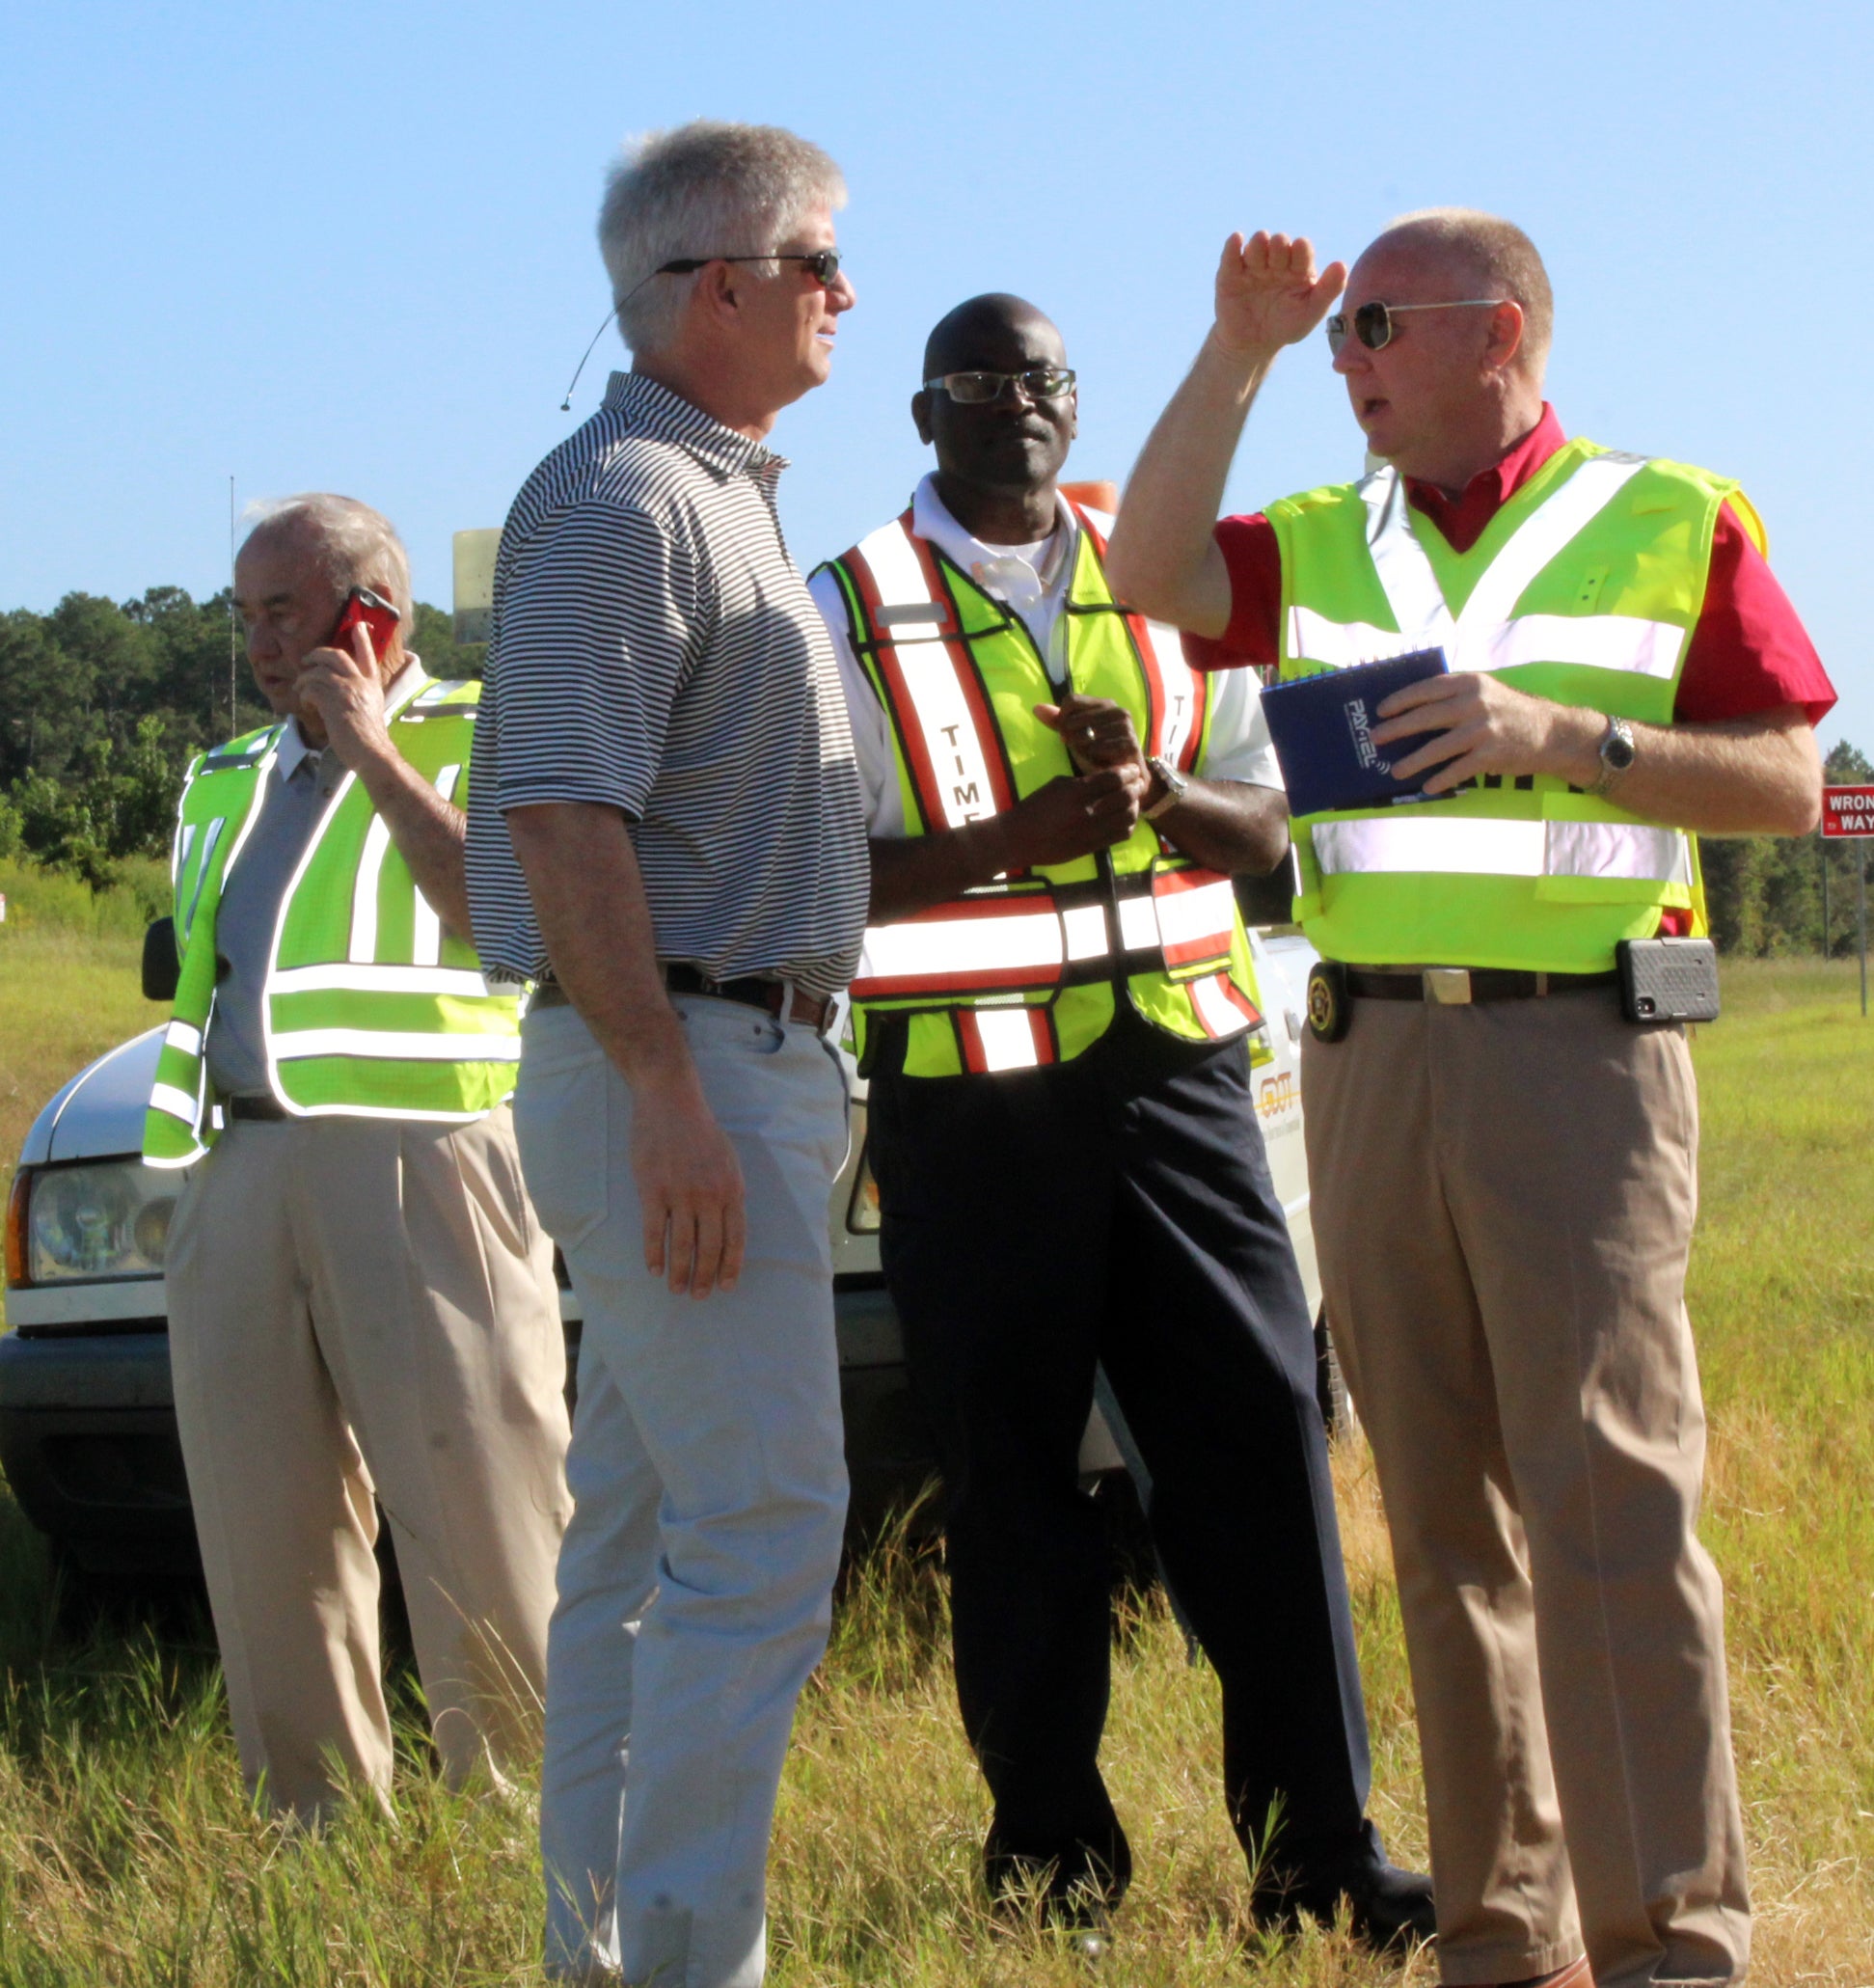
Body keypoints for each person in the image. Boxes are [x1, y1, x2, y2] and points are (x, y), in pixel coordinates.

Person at [1104, 210, 1834, 1988]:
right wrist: (1240, 346)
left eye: (1371, 329)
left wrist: (1557, 736)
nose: (1347, 360)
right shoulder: (1317, 536)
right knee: (1440, 1518)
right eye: (1337, 335)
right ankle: (1502, 1934)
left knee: (1613, 1512)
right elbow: (1143, 567)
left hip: (1576, 1055)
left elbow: (1792, 782)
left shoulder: (1679, 516)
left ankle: (1667, 1939)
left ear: (1498, 331)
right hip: (1367, 1059)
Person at [806, 292, 1434, 1953]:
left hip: (1180, 1082)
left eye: (1045, 378)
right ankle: (1053, 1871)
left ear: (1077, 409)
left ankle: (1324, 1859)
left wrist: (1165, 804)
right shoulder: (848, 603)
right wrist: (1010, 839)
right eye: (981, 379)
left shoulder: (1165, 571)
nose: (1018, 401)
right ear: (924, 412)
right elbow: (809, 878)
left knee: (1265, 1451)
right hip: (969, 1101)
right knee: (1011, 1489)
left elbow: (1284, 822)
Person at [463, 123, 867, 1988]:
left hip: (707, 1054)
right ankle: (689, 1966)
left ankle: (610, 1958)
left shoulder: (717, 492)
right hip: (678, 1062)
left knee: (636, 1558)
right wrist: (669, 1098)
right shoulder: (631, 498)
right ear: (719, 286)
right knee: (763, 1532)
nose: (842, 295)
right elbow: (560, 815)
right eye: (818, 264)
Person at [142, 494, 572, 1821]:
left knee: (481, 1511)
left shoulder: (482, 729)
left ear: (374, 608)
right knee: (267, 1535)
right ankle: (315, 1828)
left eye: (288, 610)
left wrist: (372, 743)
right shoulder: (224, 774)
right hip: (241, 1173)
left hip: (425, 1158)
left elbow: (508, 917)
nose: (262, 642)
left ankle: (525, 1827)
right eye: (246, 615)